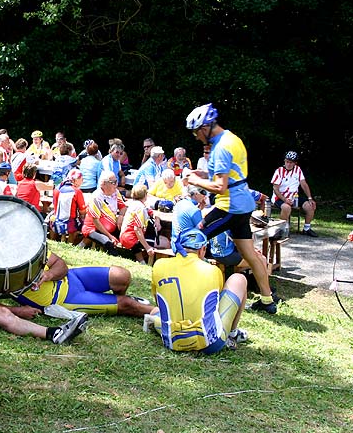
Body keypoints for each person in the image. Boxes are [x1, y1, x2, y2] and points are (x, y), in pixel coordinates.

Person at [185, 102, 276, 314]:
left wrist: (193, 180)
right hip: (244, 205)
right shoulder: (232, 139)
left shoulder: (220, 148)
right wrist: (204, 175)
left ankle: (193, 292)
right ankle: (267, 300)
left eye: (196, 133)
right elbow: (228, 174)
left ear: (205, 128)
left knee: (192, 240)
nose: (196, 137)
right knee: (250, 255)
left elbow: (220, 186)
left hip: (229, 207)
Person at [144, 228, 249, 352]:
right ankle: (232, 333)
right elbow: (216, 304)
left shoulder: (159, 265)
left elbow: (158, 301)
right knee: (239, 279)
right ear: (202, 250)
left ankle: (158, 323)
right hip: (209, 343)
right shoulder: (213, 270)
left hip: (172, 340)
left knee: (155, 310)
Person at [15, 252, 155, 318]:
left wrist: (49, 275)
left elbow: (59, 263)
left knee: (121, 275)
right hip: (64, 299)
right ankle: (161, 313)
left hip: (72, 277)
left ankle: (118, 301)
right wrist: (17, 311)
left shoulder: (28, 244)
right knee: (126, 303)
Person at [270, 151, 317, 237]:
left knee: (310, 206)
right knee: (286, 207)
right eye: (287, 161)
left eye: (291, 162)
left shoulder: (298, 170)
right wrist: (284, 199)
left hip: (294, 197)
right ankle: (281, 229)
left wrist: (310, 198)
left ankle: (307, 228)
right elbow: (275, 188)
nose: (288, 164)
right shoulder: (279, 171)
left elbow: (304, 184)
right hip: (279, 197)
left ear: (295, 163)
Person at [119, 184, 170, 263]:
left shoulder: (136, 204)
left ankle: (142, 262)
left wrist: (157, 220)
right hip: (131, 238)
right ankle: (157, 263)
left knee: (158, 238)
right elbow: (137, 229)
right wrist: (147, 247)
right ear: (145, 195)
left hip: (126, 236)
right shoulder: (140, 208)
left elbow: (151, 212)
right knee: (166, 242)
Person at [81, 171, 127, 255]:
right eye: (113, 182)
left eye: (116, 181)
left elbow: (123, 207)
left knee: (128, 235)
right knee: (109, 244)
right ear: (104, 184)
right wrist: (109, 236)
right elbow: (96, 222)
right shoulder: (96, 197)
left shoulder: (115, 192)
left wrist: (121, 216)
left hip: (111, 227)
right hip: (93, 229)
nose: (116, 185)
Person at [50, 169, 86, 244]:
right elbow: (82, 211)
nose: (82, 181)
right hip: (70, 223)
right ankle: (74, 243)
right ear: (76, 180)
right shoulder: (77, 191)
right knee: (86, 223)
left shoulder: (57, 189)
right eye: (82, 179)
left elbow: (55, 206)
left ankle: (54, 240)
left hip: (57, 222)